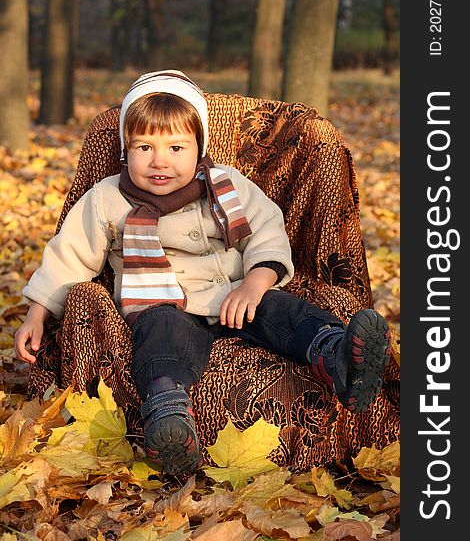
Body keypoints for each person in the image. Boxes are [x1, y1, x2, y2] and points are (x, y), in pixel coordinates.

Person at [15, 70, 391, 476]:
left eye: (176, 147)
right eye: (144, 147)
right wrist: (37, 314)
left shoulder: (226, 185)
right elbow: (69, 255)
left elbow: (266, 230)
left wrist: (255, 282)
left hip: (233, 294)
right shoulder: (107, 197)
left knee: (283, 311)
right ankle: (169, 418)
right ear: (126, 150)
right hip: (162, 302)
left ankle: (339, 355)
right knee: (160, 341)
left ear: (200, 149)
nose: (160, 161)